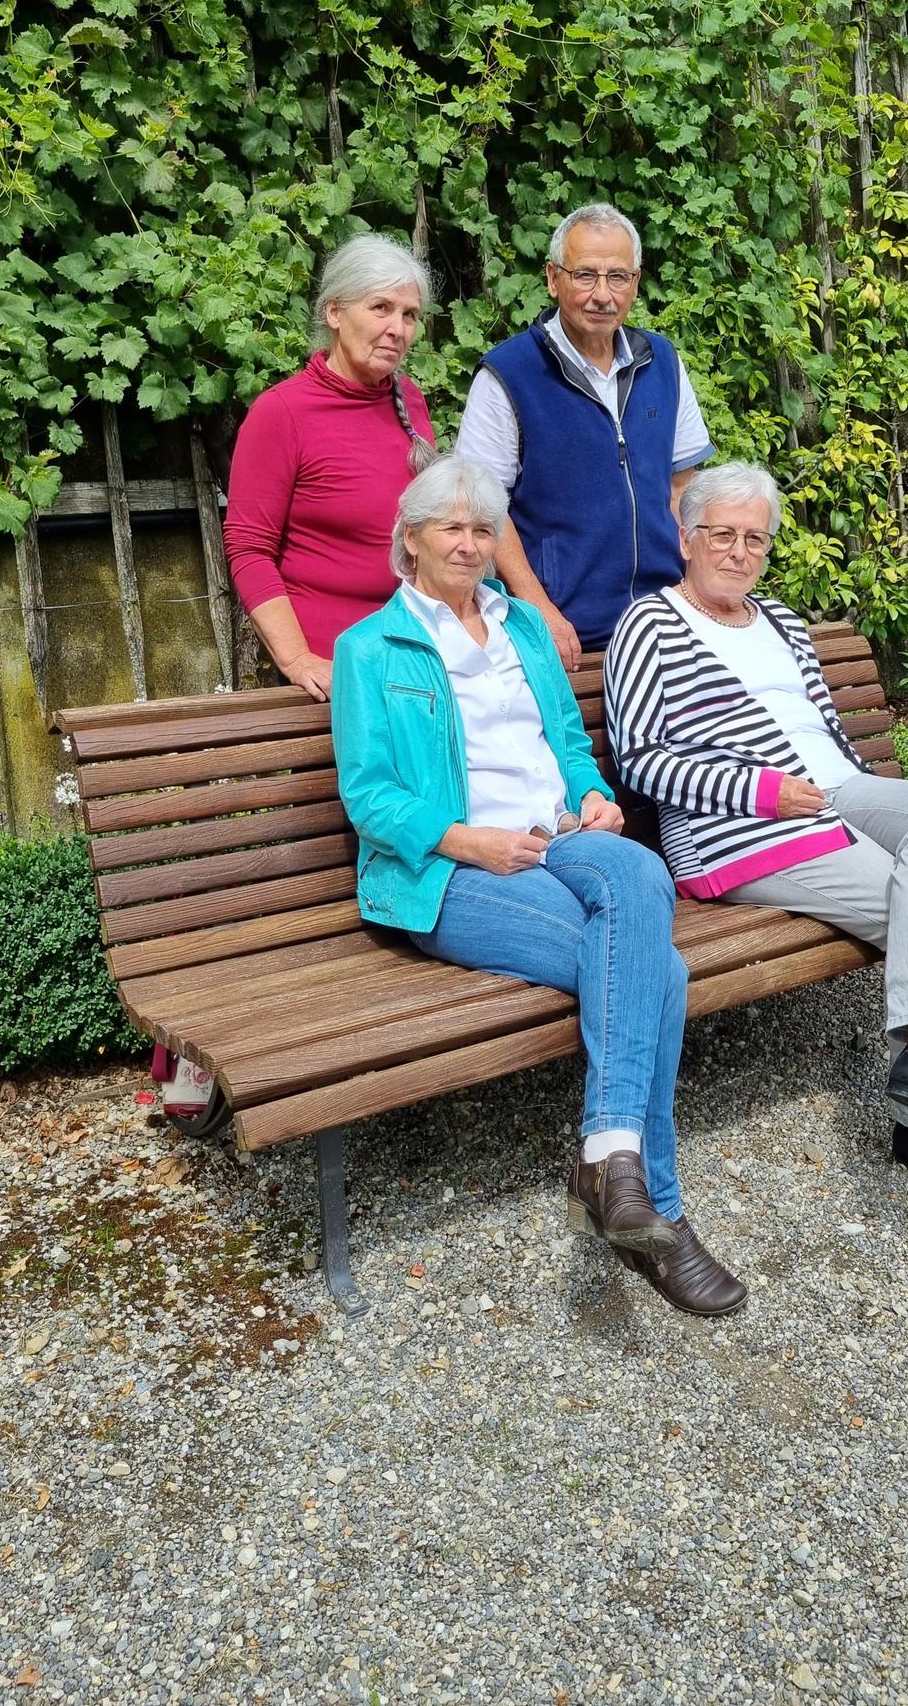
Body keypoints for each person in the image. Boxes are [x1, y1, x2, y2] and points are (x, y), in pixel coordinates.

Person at [332, 454, 746, 1316]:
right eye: (452, 527)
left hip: (555, 839)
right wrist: (466, 841)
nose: (471, 544)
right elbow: (369, 794)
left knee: (635, 866)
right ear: (409, 538)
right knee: (657, 971)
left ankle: (606, 1152)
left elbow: (564, 737)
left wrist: (591, 794)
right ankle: (652, 1206)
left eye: (484, 529)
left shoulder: (521, 626)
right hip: (445, 872)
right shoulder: (369, 649)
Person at [604, 461, 908, 1213]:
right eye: (724, 535)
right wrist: (761, 790)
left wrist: (846, 793)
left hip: (840, 790)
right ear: (687, 538)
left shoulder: (778, 619)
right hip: (738, 827)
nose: (740, 552)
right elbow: (640, 760)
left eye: (756, 539)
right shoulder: (648, 625)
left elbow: (823, 732)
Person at [455, 203, 714, 667]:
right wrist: (538, 610)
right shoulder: (508, 375)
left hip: (664, 619)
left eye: (617, 276)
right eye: (585, 275)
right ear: (553, 279)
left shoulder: (663, 362)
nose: (602, 294)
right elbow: (483, 508)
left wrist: (692, 592)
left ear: (635, 283)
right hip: (567, 633)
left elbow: (683, 488)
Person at [223, 233, 436, 699]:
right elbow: (248, 548)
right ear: (335, 313)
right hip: (336, 668)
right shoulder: (282, 412)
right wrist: (297, 659)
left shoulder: (411, 402)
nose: (398, 328)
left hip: (417, 655)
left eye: (409, 314)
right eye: (381, 308)